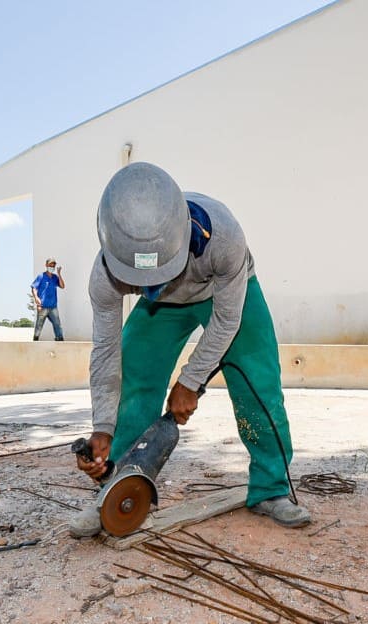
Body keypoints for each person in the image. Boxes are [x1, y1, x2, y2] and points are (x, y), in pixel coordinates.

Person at [70, 162, 309, 537]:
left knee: (258, 387)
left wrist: (190, 380)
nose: (149, 285)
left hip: (224, 292)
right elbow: (105, 353)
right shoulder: (105, 275)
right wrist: (102, 426)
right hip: (160, 312)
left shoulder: (224, 238)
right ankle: (115, 491)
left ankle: (271, 488)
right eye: (138, 281)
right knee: (135, 380)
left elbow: (227, 322)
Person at [30, 258, 65, 341]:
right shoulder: (41, 276)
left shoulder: (55, 277)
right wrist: (36, 298)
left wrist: (59, 274)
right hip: (42, 306)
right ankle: (35, 339)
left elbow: (62, 286)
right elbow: (34, 288)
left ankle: (59, 339)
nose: (52, 266)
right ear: (46, 265)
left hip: (53, 306)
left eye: (53, 265)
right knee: (39, 324)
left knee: (57, 324)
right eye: (50, 265)